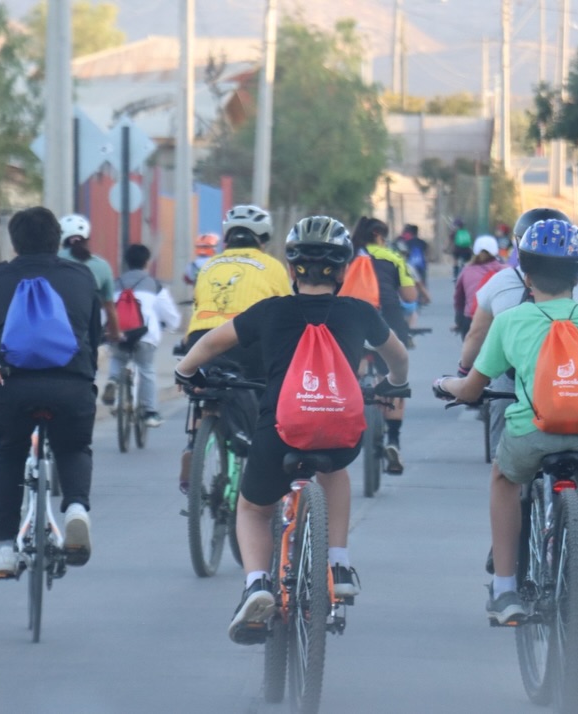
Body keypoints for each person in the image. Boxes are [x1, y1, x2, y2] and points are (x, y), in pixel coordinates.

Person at [175, 216, 409, 643]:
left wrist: (185, 370)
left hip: (279, 431)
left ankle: (257, 584)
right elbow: (398, 356)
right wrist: (392, 385)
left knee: (252, 508)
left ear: (292, 267)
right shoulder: (359, 312)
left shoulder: (270, 311)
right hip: (340, 431)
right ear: (343, 270)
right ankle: (338, 564)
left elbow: (209, 343)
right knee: (334, 469)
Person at [435, 218, 578, 624]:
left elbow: (471, 389)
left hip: (531, 434)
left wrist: (445, 383)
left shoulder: (509, 322)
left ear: (525, 272)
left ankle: (505, 589)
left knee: (504, 479)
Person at [0, 207, 102, 576]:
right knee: (74, 446)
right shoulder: (80, 274)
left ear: (14, 242)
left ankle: (2, 548)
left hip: (11, 386)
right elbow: (92, 337)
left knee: (9, 453)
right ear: (56, 240)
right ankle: (77, 508)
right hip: (71, 385)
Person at [458, 208, 578, 461]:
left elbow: (476, 333)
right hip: (575, 377)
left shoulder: (501, 282)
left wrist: (463, 371)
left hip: (514, 376)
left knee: (503, 462)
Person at [178, 204, 291, 493]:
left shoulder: (208, 265)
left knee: (203, 387)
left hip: (201, 338)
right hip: (247, 340)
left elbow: (200, 306)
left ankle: (194, 443)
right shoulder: (272, 266)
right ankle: (259, 445)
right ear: (262, 239)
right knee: (266, 387)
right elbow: (288, 313)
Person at [351, 217, 419, 473]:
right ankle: (393, 440)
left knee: (349, 369)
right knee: (393, 376)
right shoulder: (393, 257)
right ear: (380, 235)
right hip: (387, 319)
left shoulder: (348, 255)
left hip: (353, 318)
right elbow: (410, 297)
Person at [101, 243, 181, 427]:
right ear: (147, 262)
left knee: (117, 358)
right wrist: (169, 325)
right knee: (146, 368)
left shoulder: (115, 284)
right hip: (144, 336)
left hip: (118, 333)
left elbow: (104, 312)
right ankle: (149, 413)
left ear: (126, 263)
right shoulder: (153, 285)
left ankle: (113, 380)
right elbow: (171, 317)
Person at [59, 214, 121, 344]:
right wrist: (115, 334)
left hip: (55, 329)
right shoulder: (102, 265)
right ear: (87, 238)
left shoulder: (52, 259)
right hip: (87, 333)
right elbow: (109, 307)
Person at [453, 235, 504, 340]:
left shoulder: (466, 271)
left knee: (469, 355)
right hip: (498, 320)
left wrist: (459, 321)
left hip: (471, 320)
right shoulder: (506, 271)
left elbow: (459, 299)